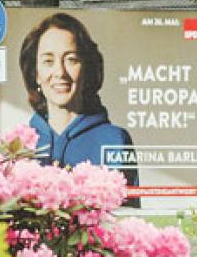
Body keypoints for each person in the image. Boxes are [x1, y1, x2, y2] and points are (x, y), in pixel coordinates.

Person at [19, 12, 139, 189]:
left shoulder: (114, 140)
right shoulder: (20, 144)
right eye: (48, 61)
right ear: (36, 74)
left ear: (86, 68)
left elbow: (128, 214)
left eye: (71, 59)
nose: (60, 72)